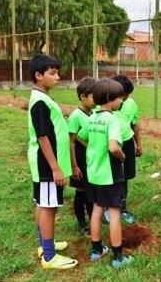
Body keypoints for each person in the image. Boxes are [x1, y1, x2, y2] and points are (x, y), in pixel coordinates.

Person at [27, 53, 78, 269]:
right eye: (52, 73)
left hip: (45, 165)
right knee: (48, 207)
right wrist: (55, 168)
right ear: (39, 75)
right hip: (47, 165)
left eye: (57, 72)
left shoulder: (43, 97)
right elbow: (42, 136)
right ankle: (49, 256)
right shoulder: (39, 102)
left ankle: (45, 245)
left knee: (43, 204)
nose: (58, 77)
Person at [78, 78, 133, 268]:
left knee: (97, 209)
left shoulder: (92, 117)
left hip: (94, 173)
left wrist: (94, 149)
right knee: (115, 212)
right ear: (110, 98)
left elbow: (81, 136)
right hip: (110, 174)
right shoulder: (112, 119)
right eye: (119, 98)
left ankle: (97, 250)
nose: (122, 101)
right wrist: (123, 155)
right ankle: (118, 257)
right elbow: (113, 147)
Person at [108, 74, 143, 224]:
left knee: (124, 177)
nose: (125, 99)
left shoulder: (131, 104)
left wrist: (138, 144)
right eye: (123, 96)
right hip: (110, 145)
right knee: (110, 177)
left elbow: (134, 124)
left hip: (127, 142)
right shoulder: (104, 104)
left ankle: (122, 208)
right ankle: (107, 208)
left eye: (127, 96)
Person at [68, 77, 96, 237]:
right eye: (92, 96)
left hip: (92, 159)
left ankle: (93, 219)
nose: (96, 100)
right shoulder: (75, 117)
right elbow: (71, 142)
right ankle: (82, 223)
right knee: (81, 191)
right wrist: (74, 165)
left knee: (91, 191)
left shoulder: (94, 113)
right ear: (83, 97)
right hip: (80, 159)